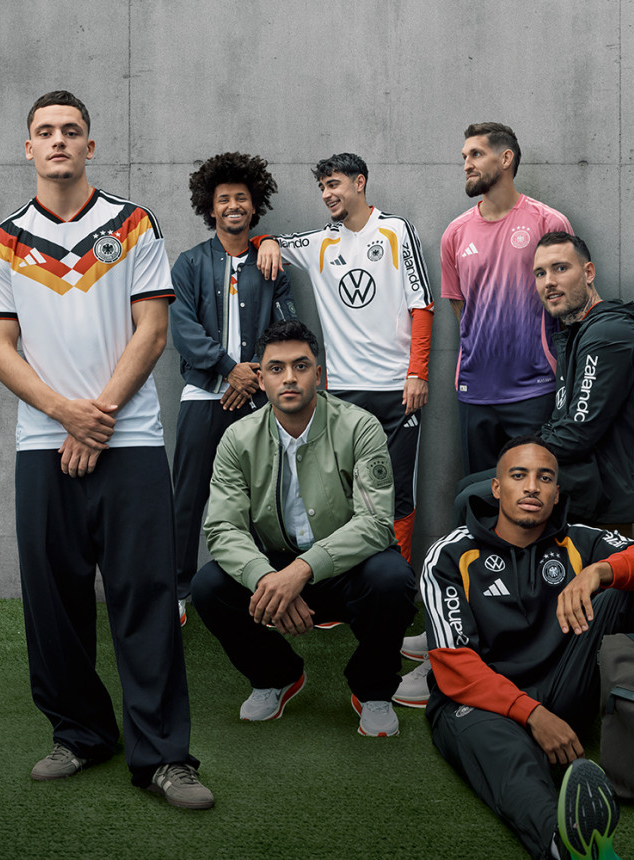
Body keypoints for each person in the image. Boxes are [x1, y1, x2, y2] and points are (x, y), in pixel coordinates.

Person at [0, 91, 212, 809]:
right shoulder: (4, 240)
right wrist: (63, 416)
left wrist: (98, 417)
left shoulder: (132, 225)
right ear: (28, 148)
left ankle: (164, 757)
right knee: (54, 600)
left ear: (90, 146)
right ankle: (79, 733)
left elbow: (152, 332)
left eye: (70, 132)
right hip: (43, 441)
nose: (58, 142)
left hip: (129, 439)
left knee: (145, 596)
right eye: (44, 132)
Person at [421, 436, 634, 859]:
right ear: (497, 488)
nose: (532, 488)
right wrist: (533, 715)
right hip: (483, 700)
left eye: (545, 478)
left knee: (630, 590)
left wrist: (599, 572)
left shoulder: (579, 541)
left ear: (556, 493)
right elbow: (454, 666)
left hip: (565, 685)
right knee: (507, 755)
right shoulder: (449, 555)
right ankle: (564, 845)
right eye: (518, 475)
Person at [193, 319, 416, 737]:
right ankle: (276, 676)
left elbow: (375, 522)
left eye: (301, 366)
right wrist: (268, 579)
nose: (289, 378)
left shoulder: (360, 426)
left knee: (393, 578)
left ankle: (373, 690)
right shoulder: (238, 438)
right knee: (209, 587)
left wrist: (300, 573)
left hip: (349, 566)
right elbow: (223, 527)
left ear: (320, 372)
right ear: (260, 377)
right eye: (276, 368)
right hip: (275, 564)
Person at [255, 153, 433, 564]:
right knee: (340, 493)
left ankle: (397, 586)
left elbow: (421, 306)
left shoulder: (395, 230)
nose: (326, 194)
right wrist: (265, 241)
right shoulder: (321, 241)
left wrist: (417, 373)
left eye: (333, 184)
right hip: (342, 392)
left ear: (359, 183)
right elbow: (270, 243)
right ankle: (347, 585)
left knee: (397, 490)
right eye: (321, 187)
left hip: (396, 388)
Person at [170, 152, 295, 624]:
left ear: (254, 204)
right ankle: (177, 593)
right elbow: (180, 327)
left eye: (241, 198)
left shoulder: (271, 265)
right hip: (204, 395)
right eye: (224, 199)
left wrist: (255, 373)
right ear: (211, 207)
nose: (233, 206)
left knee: (265, 497)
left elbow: (289, 327)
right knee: (189, 497)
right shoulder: (189, 263)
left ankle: (266, 593)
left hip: (258, 399)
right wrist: (228, 369)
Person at [451, 232, 634, 533]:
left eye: (560, 268)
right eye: (540, 273)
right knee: (468, 485)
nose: (548, 281)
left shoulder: (608, 334)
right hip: (579, 471)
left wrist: (517, 456)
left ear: (588, 272)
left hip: (604, 484)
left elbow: (578, 430)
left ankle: (486, 576)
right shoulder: (576, 333)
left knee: (473, 497)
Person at [440, 122, 573, 475]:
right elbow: (460, 308)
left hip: (535, 388)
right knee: (481, 495)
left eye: (476, 154)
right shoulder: (455, 233)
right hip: (475, 391)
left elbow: (572, 302)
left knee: (536, 494)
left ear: (506, 159)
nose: (467, 163)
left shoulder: (548, 222)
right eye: (464, 156)